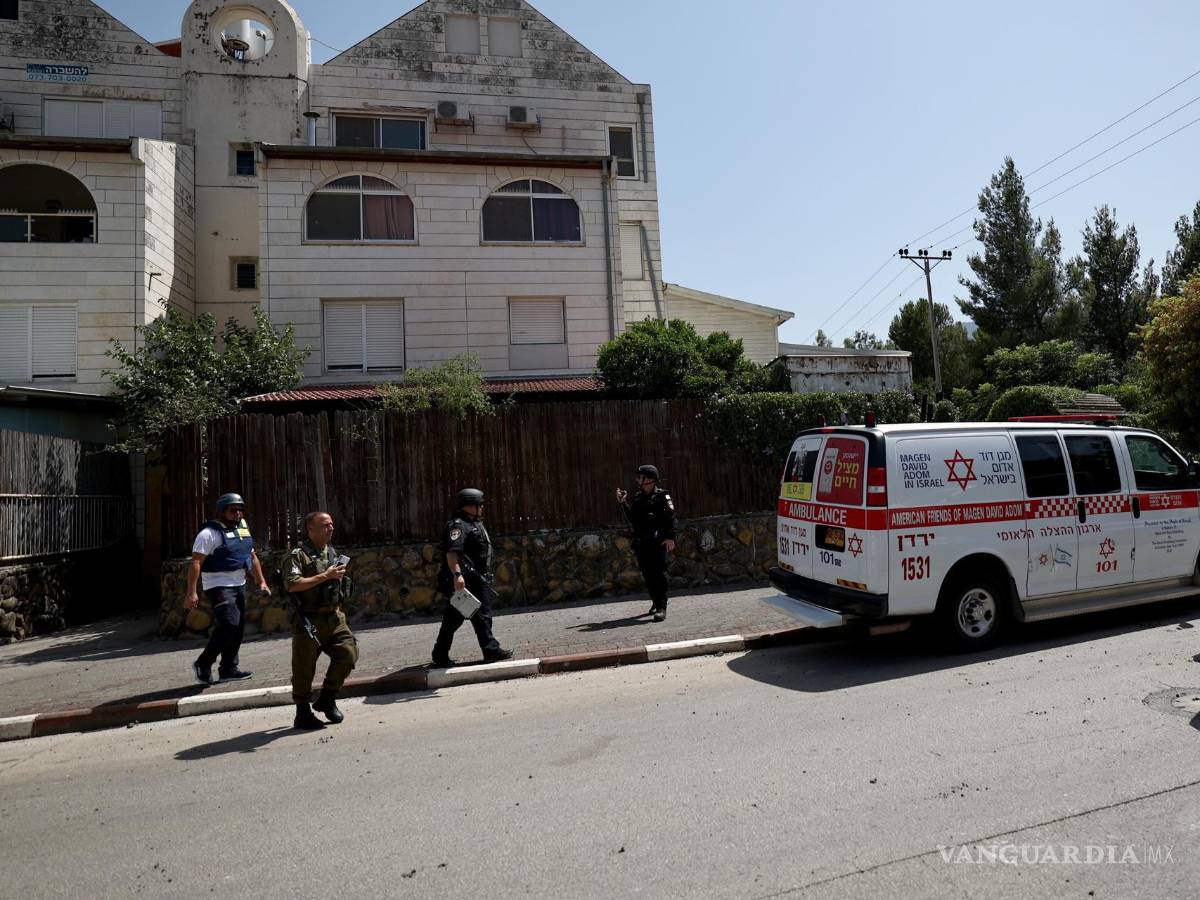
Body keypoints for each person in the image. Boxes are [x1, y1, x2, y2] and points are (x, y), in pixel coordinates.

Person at [281, 511, 359, 730]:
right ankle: (302, 712)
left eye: (332, 524)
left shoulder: (331, 552)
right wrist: (326, 576)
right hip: (308, 619)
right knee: (304, 667)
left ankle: (327, 697)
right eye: (325, 525)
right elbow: (292, 584)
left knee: (348, 653)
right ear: (310, 529)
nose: (331, 528)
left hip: (334, 616)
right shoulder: (297, 555)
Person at [184, 492, 270, 684]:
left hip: (239, 584)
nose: (238, 514)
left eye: (240, 510)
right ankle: (203, 663)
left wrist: (261, 581)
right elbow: (196, 562)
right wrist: (192, 592)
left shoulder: (243, 529)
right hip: (217, 585)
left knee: (237, 628)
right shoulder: (209, 534)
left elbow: (252, 556)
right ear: (222, 511)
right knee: (229, 624)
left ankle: (228, 669)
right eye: (233, 510)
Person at [431, 488, 514, 667]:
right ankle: (490, 650)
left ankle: (440, 654)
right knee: (481, 616)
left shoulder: (473, 523)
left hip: (476, 580)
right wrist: (458, 575)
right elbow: (451, 553)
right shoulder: (459, 525)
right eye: (480, 505)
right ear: (470, 505)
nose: (482, 508)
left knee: (454, 619)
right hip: (466, 582)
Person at [616, 464, 677, 622]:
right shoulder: (638, 498)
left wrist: (671, 537)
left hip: (658, 543)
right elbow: (632, 519)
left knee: (659, 574)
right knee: (648, 575)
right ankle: (656, 602)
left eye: (640, 477)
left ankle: (661, 607)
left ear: (650, 479)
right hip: (642, 544)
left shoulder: (663, 496)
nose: (638, 480)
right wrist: (623, 503)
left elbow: (671, 518)